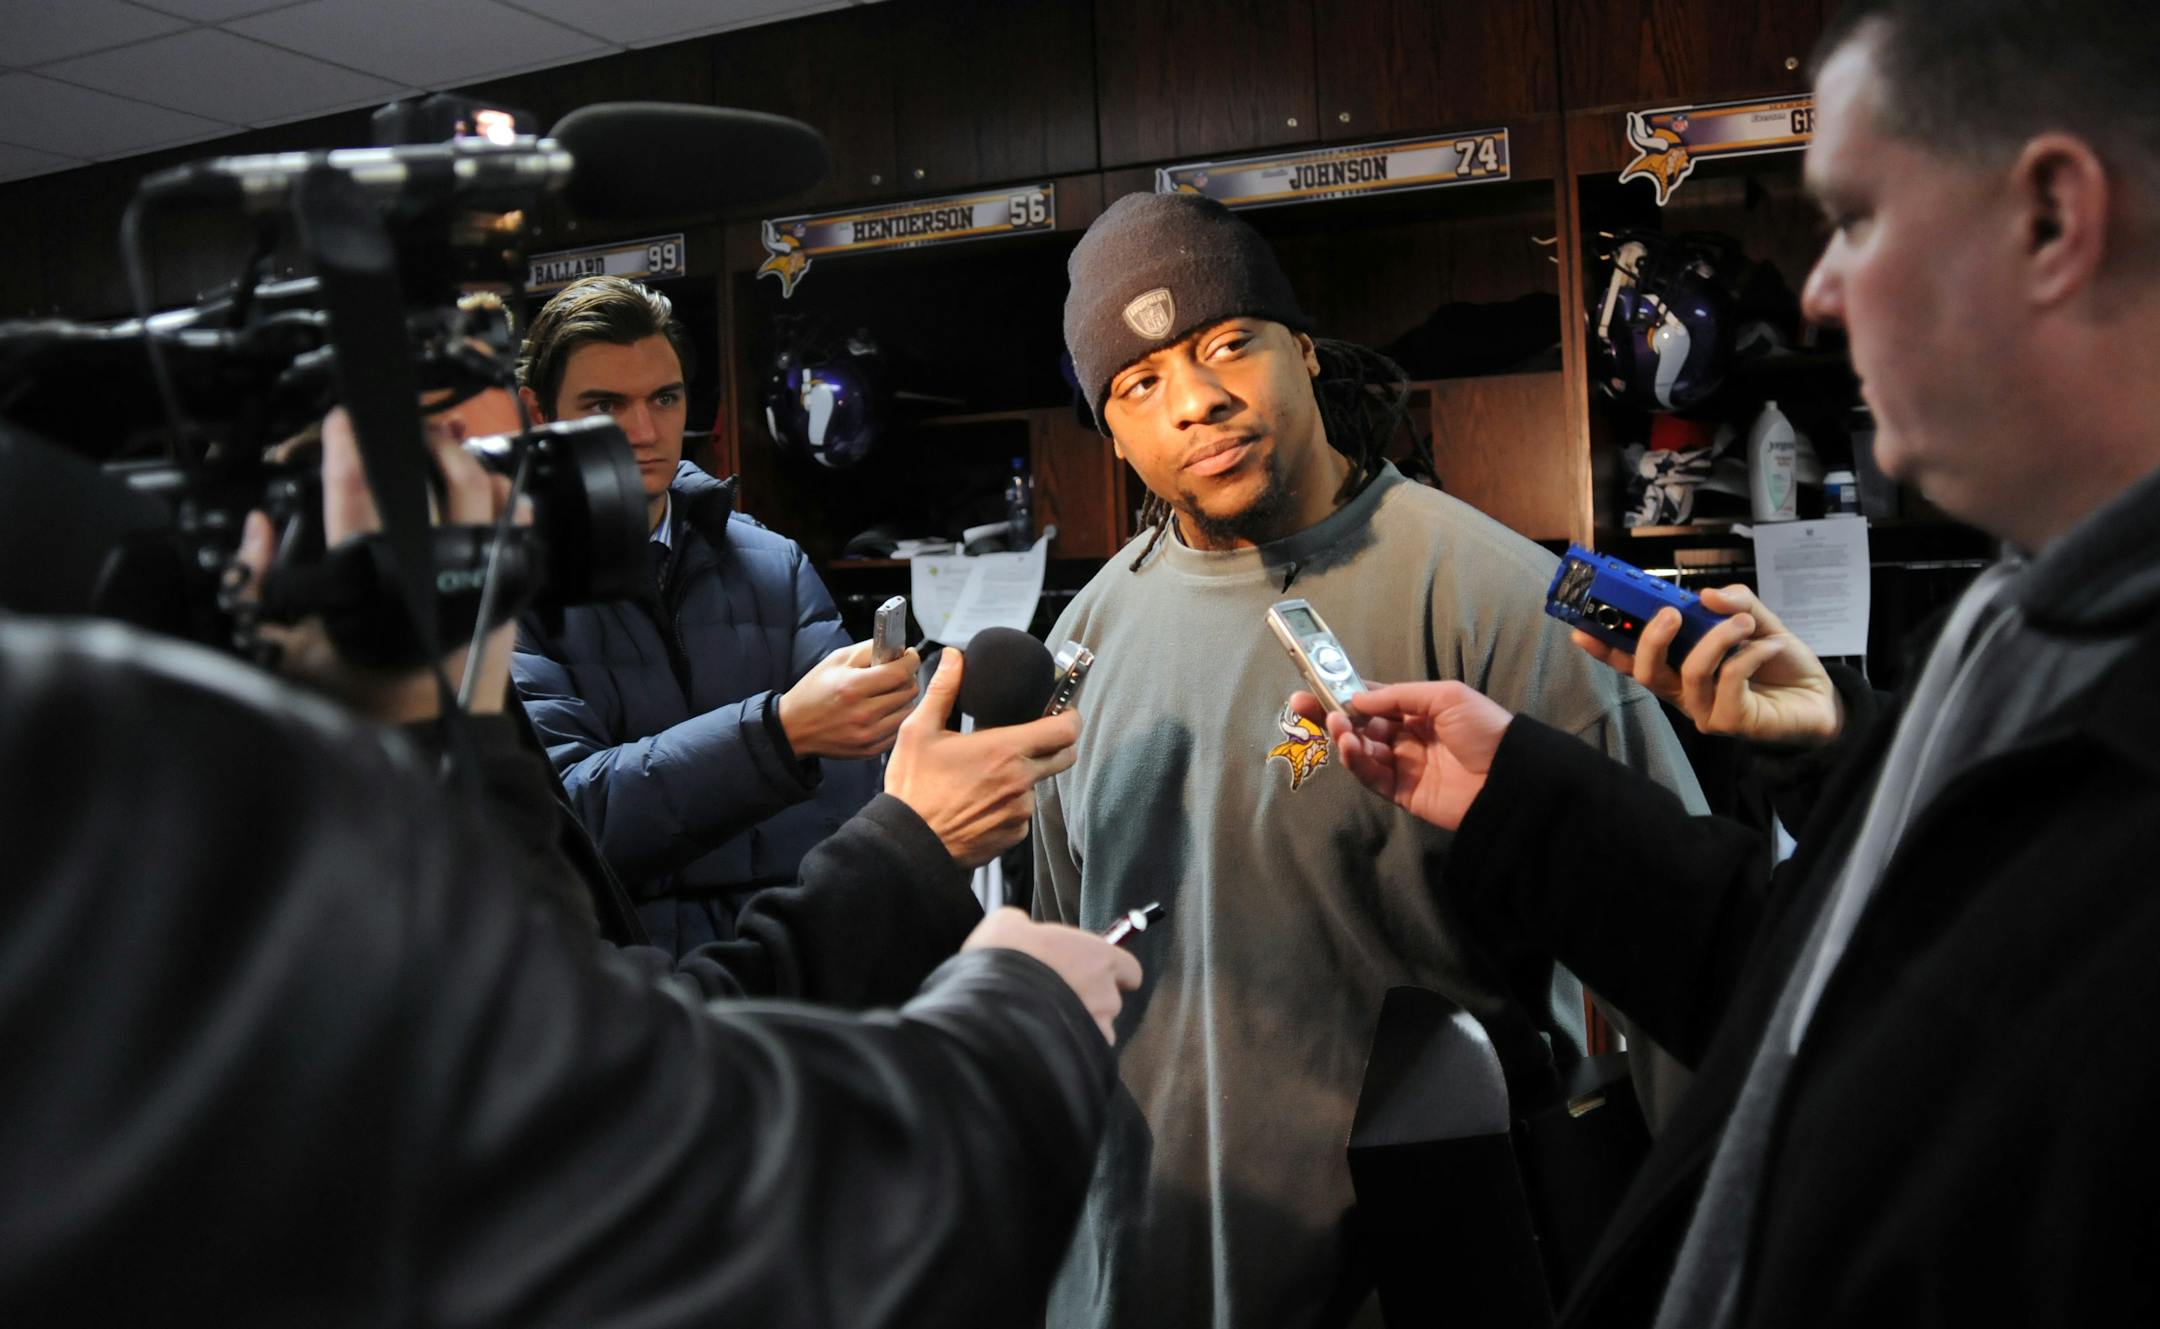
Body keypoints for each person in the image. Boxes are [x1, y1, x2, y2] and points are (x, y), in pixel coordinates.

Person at [1298, 2, 2160, 1323]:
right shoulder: (2014, 620)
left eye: (1859, 218)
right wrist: (1528, 794)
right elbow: (1836, 999)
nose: (1815, 291)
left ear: (2050, 219)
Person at [0, 405, 1143, 1325]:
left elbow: (598, 1021)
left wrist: (434, 714)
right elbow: (715, 1188)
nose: (501, 508)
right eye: (445, 464)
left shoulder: (417, 733)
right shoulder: (134, 829)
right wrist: (1022, 1011)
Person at [1032, 190, 1705, 1328]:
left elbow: (1688, 959)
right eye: (1141, 385)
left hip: (1420, 1264)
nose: (1197, 402)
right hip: (1142, 1264)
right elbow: (1064, 971)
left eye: (1226, 345)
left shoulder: (1501, 599)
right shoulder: (1079, 644)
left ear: (1302, 350)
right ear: (1116, 433)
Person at [511, 275, 919, 956]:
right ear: (538, 413)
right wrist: (779, 733)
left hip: (790, 984)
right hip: (626, 1004)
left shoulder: (774, 565)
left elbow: (851, 809)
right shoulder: (502, 591)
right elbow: (570, 824)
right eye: (605, 404)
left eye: (664, 399)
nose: (643, 432)